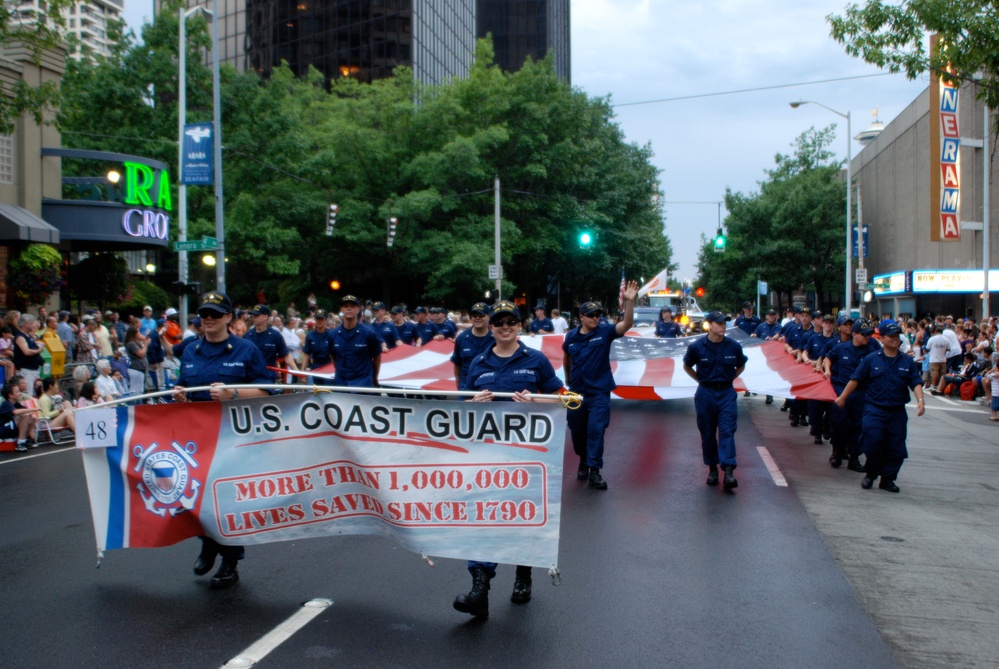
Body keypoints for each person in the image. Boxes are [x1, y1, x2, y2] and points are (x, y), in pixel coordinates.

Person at [454, 300, 564, 619]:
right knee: (484, 515)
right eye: (499, 322)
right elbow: (460, 404)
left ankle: (523, 574)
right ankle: (480, 588)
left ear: (519, 326)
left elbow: (562, 398)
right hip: (487, 454)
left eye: (510, 322)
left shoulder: (536, 360)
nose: (504, 326)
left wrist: (537, 400)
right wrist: (471, 401)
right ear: (491, 327)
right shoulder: (478, 363)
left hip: (527, 455)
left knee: (521, 515)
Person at [172, 291, 273, 588]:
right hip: (196, 437)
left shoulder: (245, 349)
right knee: (197, 496)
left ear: (229, 318)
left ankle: (230, 560)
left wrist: (233, 393)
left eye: (215, 314)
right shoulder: (190, 350)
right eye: (204, 314)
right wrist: (179, 393)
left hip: (233, 437)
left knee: (226, 499)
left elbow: (267, 391)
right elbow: (183, 384)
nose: (209, 319)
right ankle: (208, 543)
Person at [562, 281, 639, 489]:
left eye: (598, 314)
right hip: (576, 393)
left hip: (599, 392)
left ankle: (594, 470)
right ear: (582, 317)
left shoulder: (605, 332)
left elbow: (626, 325)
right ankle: (583, 460)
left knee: (595, 430)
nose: (596, 318)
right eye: (591, 315)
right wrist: (569, 380)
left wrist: (629, 302)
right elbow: (566, 358)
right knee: (577, 431)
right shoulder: (570, 337)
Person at [835, 320, 924, 493]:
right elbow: (856, 379)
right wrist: (843, 397)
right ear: (881, 338)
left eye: (897, 336)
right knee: (872, 441)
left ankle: (887, 479)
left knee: (896, 448)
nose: (895, 339)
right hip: (875, 409)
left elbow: (915, 381)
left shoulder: (906, 361)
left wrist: (920, 400)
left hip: (896, 411)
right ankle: (871, 473)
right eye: (890, 336)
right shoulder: (870, 359)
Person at [682, 310, 748, 490]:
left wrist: (730, 378)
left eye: (725, 323)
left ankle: (728, 471)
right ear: (709, 325)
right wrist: (700, 380)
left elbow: (741, 365)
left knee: (727, 430)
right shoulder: (697, 347)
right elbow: (687, 365)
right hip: (706, 394)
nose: (723, 326)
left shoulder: (733, 346)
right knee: (708, 433)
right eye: (719, 323)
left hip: (726, 392)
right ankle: (712, 469)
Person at [331, 295, 382, 387]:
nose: (349, 309)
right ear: (341, 309)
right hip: (341, 383)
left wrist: (374, 378)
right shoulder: (333, 334)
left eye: (352, 306)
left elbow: (377, 357)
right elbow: (333, 355)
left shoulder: (368, 333)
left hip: (363, 383)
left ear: (358, 309)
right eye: (346, 306)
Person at [243, 305, 297, 382]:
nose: (254, 317)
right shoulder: (248, 335)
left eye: (257, 315)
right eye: (253, 315)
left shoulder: (275, 335)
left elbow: (286, 355)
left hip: (267, 377)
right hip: (250, 376)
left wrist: (296, 370)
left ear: (265, 316)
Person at [450, 302, 493, 390]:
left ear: (488, 316)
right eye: (474, 315)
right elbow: (457, 364)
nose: (477, 318)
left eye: (481, 315)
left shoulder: (496, 339)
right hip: (466, 386)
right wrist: (459, 388)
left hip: (489, 387)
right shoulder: (461, 338)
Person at [0, 380, 37, 451]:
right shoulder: (7, 404)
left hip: (11, 429)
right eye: (17, 392)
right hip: (2, 430)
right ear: (10, 395)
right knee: (25, 416)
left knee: (32, 417)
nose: (20, 393)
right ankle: (20, 443)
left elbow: (27, 412)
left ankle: (24, 440)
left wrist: (31, 414)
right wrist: (33, 409)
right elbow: (15, 412)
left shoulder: (16, 403)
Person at [301, 309, 335, 385]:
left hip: (328, 365)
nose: (319, 321)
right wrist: (302, 371)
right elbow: (306, 354)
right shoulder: (310, 336)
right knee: (318, 390)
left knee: (327, 389)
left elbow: (335, 353)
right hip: (316, 366)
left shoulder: (331, 334)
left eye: (321, 319)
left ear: (326, 320)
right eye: (317, 319)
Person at [12, 314, 44, 389]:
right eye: (32, 323)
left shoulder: (28, 335)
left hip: (35, 369)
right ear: (25, 324)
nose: (34, 325)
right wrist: (38, 350)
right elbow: (26, 352)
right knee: (28, 394)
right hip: (27, 371)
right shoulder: (20, 337)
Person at [124, 326, 148, 395]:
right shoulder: (131, 343)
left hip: (141, 369)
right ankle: (135, 404)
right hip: (136, 369)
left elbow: (144, 340)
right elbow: (141, 354)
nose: (139, 334)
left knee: (141, 389)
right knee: (136, 390)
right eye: (138, 332)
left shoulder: (137, 342)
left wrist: (143, 340)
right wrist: (146, 345)